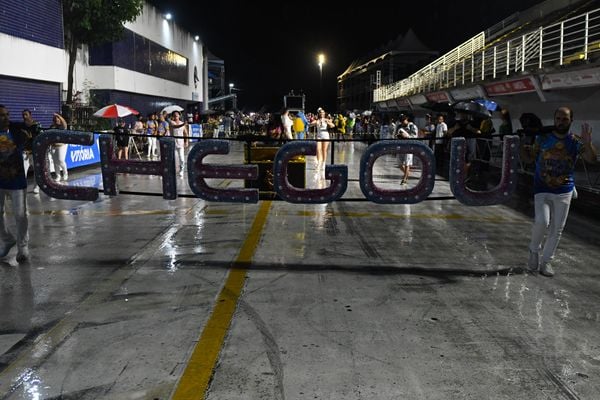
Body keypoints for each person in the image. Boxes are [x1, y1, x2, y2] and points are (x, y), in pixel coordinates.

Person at [522, 106, 597, 277]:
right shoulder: (542, 138)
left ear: (571, 121)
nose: (561, 122)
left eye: (565, 119)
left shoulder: (575, 141)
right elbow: (529, 158)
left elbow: (592, 159)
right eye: (558, 119)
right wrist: (521, 145)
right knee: (542, 222)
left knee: (557, 228)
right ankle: (534, 250)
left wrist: (587, 143)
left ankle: (546, 261)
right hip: (542, 187)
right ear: (554, 120)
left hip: (564, 190)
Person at [0, 105, 30, 262]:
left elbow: (32, 130)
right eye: (2, 115)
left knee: (20, 215)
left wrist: (29, 124)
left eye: (7, 114)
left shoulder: (16, 130)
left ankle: (23, 247)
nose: (6, 118)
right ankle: (6, 240)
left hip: (17, 181)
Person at [20, 109, 42, 193]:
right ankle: (22, 188)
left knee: (36, 171)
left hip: (34, 152)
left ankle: (36, 187)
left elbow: (39, 138)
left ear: (30, 115)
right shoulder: (22, 126)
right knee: (23, 171)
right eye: (23, 115)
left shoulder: (37, 125)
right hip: (24, 152)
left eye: (26, 115)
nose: (24, 117)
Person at [396, 114, 419, 185]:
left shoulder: (413, 126)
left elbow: (415, 137)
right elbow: (395, 135)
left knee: (407, 163)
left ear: (407, 119)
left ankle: (404, 179)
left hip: (409, 146)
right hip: (401, 146)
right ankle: (407, 173)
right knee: (399, 163)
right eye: (401, 121)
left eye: (404, 120)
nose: (403, 122)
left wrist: (406, 136)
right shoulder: (399, 127)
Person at [49, 113, 68, 184]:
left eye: (58, 119)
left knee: (60, 160)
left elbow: (64, 123)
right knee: (55, 161)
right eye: (55, 119)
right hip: (53, 146)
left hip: (62, 145)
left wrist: (58, 115)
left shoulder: (62, 126)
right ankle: (58, 176)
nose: (56, 120)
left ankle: (65, 173)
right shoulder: (52, 126)